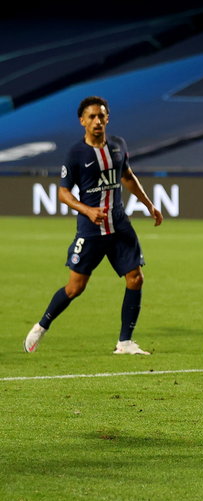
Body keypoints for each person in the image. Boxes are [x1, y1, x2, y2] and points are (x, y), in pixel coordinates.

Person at [23, 96, 163, 354]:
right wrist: (87, 210)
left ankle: (125, 342)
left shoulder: (118, 145)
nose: (97, 121)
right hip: (91, 230)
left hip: (119, 225)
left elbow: (127, 176)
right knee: (76, 287)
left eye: (101, 116)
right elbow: (63, 193)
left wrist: (149, 204)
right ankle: (41, 326)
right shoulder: (76, 154)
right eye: (91, 117)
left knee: (135, 278)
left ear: (107, 118)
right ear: (82, 121)